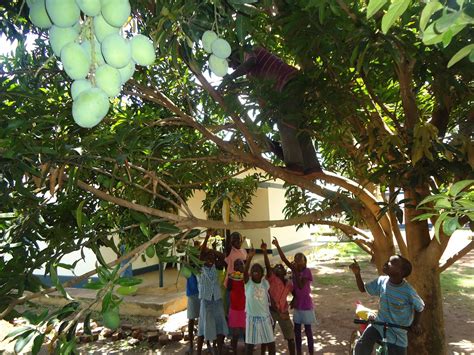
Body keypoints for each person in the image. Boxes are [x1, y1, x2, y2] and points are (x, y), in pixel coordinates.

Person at [219, 46, 322, 178]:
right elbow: (261, 96)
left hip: (288, 83)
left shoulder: (249, 51)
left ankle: (295, 165)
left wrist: (229, 78)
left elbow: (250, 63)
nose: (233, 68)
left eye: (231, 64)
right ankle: (312, 167)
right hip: (292, 83)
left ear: (234, 53)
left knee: (286, 124)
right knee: (299, 127)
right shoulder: (252, 74)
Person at [349, 255, 425, 355]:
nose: (386, 263)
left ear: (401, 272)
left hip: (398, 332)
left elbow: (420, 307)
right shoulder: (382, 281)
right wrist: (357, 274)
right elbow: (363, 288)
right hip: (379, 325)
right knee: (363, 344)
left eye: (391, 263)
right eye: (388, 260)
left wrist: (416, 324)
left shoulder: (408, 291)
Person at [273, 238, 316, 355]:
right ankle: (298, 352)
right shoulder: (294, 270)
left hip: (306, 305)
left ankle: (311, 352)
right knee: (296, 331)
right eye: (296, 260)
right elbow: (283, 259)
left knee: (308, 331)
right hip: (298, 306)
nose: (297, 262)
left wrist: (295, 271)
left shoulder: (307, 271)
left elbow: (301, 286)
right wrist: (277, 246)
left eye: (299, 260)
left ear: (304, 261)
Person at [261, 240, 296, 355]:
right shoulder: (272, 278)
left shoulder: (288, 283)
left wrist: (294, 301)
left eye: (281, 266)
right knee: (268, 336)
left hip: (284, 312)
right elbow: (267, 265)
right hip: (271, 311)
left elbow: (295, 293)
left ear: (285, 271)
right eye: (277, 267)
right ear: (273, 271)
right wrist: (265, 252)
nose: (279, 267)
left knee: (290, 336)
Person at [196, 239, 228, 355]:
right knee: (203, 329)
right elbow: (200, 257)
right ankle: (198, 352)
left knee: (220, 327)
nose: (210, 259)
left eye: (212, 257)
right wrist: (207, 238)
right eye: (207, 257)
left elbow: (224, 257)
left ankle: (218, 351)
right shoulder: (200, 269)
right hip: (206, 302)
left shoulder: (216, 267)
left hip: (217, 301)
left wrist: (212, 251)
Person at [244, 248, 275, 355]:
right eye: (253, 269)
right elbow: (245, 271)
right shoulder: (248, 284)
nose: (255, 270)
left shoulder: (265, 283)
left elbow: (269, 270)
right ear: (250, 273)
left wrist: (265, 252)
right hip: (251, 318)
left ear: (262, 274)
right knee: (249, 346)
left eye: (258, 269)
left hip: (264, 317)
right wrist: (250, 257)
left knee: (271, 343)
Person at [227, 258, 246, 353]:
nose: (239, 267)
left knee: (246, 331)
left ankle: (248, 349)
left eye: (241, 264)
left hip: (245, 309)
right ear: (234, 267)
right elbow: (229, 289)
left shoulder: (246, 277)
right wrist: (230, 278)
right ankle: (234, 350)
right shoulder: (232, 277)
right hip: (234, 308)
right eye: (237, 265)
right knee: (235, 333)